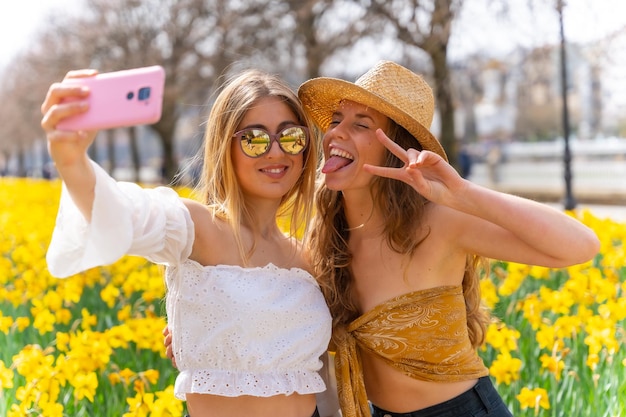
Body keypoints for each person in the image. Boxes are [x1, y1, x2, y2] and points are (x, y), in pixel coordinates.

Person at [297, 60, 600, 417]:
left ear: (396, 148)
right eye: (336, 120)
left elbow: (581, 245)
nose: (336, 133)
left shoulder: (438, 222)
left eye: (361, 125)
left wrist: (461, 192)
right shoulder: (323, 236)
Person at [41, 67, 337, 417]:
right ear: (224, 146)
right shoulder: (198, 228)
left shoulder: (307, 257)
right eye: (254, 138)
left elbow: (322, 378)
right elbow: (125, 214)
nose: (276, 152)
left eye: (291, 137)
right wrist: (71, 161)